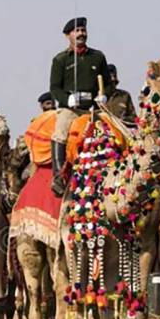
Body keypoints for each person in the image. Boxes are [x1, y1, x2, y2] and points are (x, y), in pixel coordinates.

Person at [49, 16, 113, 197]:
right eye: (77, 31)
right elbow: (54, 88)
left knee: (114, 132)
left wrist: (104, 94)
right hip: (70, 109)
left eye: (83, 30)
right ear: (67, 35)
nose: (81, 34)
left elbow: (108, 83)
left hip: (94, 108)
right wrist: (66, 99)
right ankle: (58, 177)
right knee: (60, 131)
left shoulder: (98, 57)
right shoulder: (61, 60)